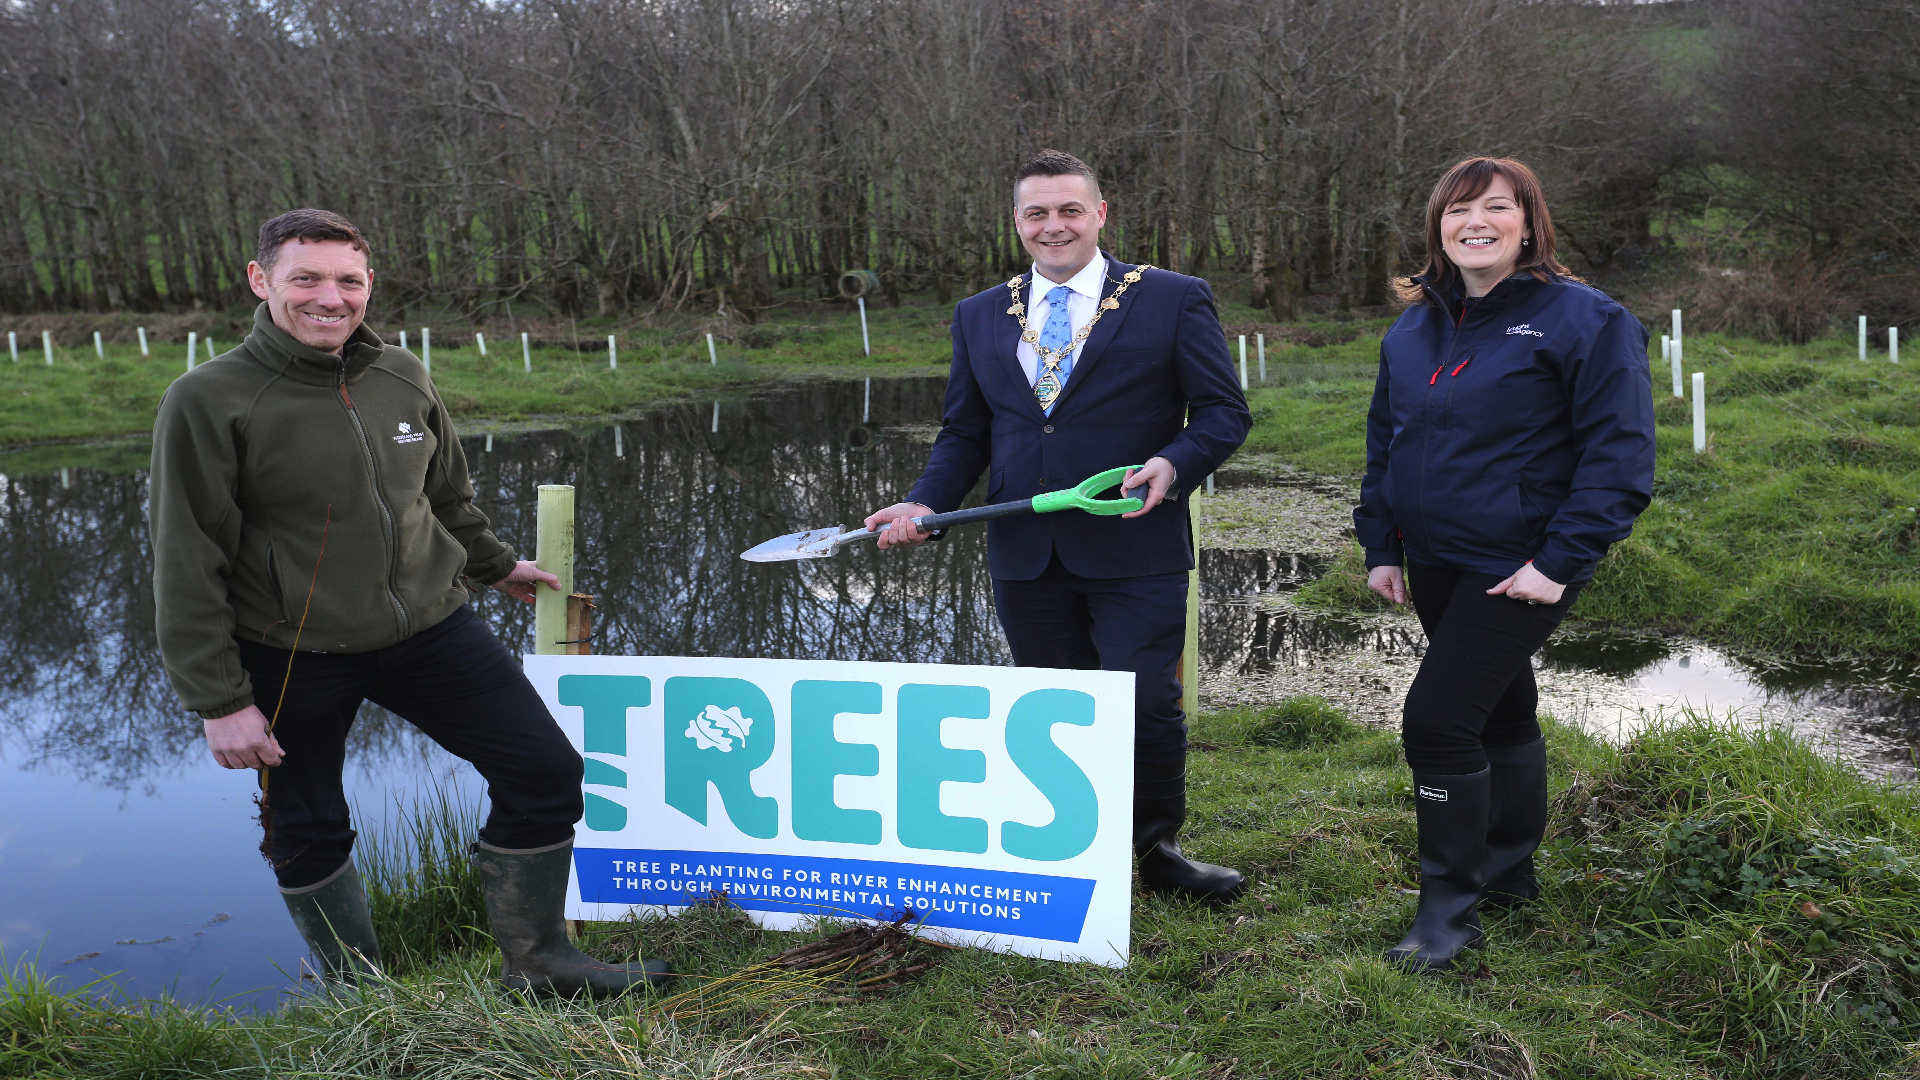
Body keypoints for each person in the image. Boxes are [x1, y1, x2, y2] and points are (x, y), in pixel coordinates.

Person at [150, 209, 669, 996]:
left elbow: (445, 496)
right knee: (307, 824)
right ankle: (364, 995)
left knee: (545, 773)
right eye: (307, 279)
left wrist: (495, 566)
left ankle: (539, 964)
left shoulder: (402, 374)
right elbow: (187, 557)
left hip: (430, 629)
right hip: (290, 652)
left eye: (348, 281)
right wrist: (218, 698)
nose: (331, 298)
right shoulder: (208, 398)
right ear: (261, 282)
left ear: (369, 286)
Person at [863, 150, 1252, 903]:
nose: (1054, 226)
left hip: (1135, 541)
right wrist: (922, 503)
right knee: (1054, 707)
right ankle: (1073, 853)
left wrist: (1177, 461)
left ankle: (1156, 850)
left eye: (1070, 210)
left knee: (1143, 699)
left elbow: (1223, 413)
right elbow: (964, 434)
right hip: (1025, 553)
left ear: (1101, 214)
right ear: (1017, 222)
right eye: (1037, 213)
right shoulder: (979, 313)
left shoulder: (1172, 298)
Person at [1355, 157, 1655, 971]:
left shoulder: (1586, 321)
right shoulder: (1415, 326)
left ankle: (1448, 916)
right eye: (1457, 211)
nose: (1473, 223)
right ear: (1437, 227)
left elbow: (1620, 457)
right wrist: (1381, 543)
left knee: (1438, 721)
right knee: (1501, 711)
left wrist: (1559, 561)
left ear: (1530, 223)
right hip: (1437, 560)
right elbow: (1387, 443)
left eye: (1495, 208)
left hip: (1522, 565)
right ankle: (1510, 876)